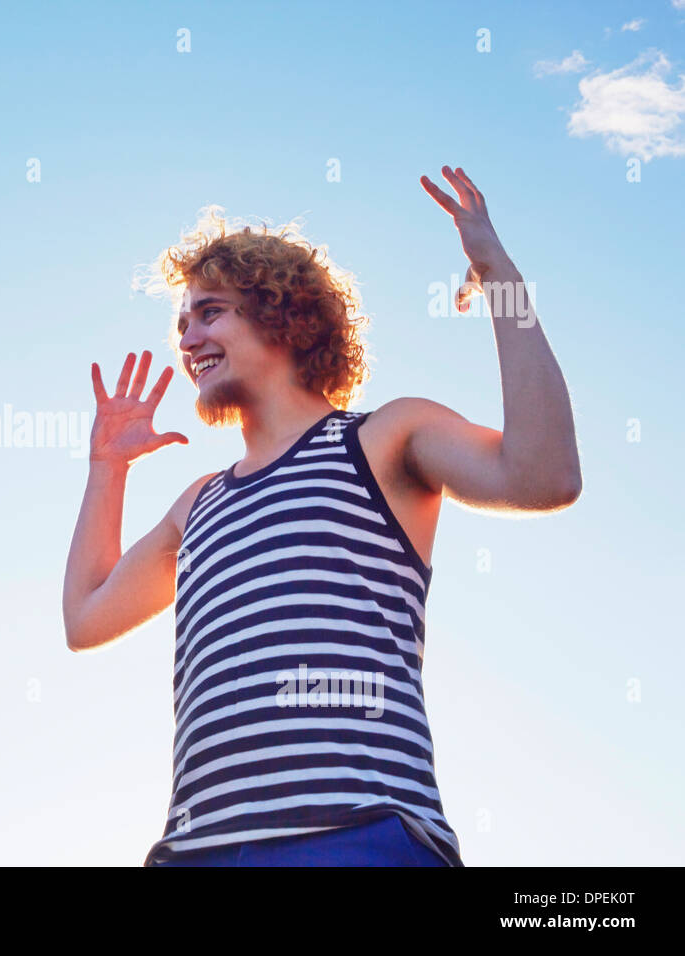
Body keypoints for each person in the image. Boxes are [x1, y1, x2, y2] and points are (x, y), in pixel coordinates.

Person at [62, 166, 581, 866]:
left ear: (282, 315)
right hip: (196, 852)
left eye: (210, 311)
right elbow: (86, 619)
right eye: (182, 322)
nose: (186, 340)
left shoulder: (383, 439)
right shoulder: (198, 504)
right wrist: (107, 471)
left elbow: (544, 476)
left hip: (356, 836)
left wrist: (500, 277)